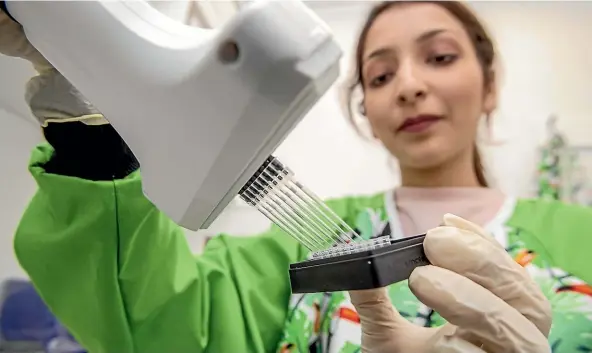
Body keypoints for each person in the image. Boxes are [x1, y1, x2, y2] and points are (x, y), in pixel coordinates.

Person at [2, 1, 591, 352]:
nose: (409, 85)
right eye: (381, 76)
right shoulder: (298, 246)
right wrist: (89, 111)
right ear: (365, 109)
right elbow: (157, 326)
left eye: (439, 57)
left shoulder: (580, 235)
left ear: (489, 84)